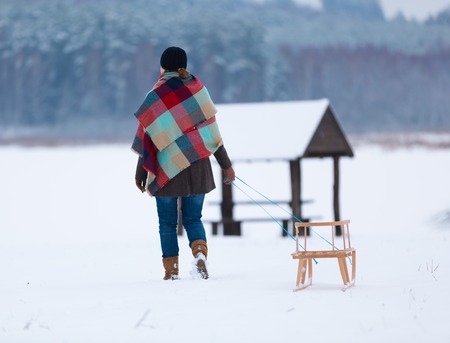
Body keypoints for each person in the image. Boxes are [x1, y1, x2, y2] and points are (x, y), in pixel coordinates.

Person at [131, 47, 235, 280]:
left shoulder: (155, 96)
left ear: (163, 67)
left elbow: (148, 137)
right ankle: (199, 255)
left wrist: (140, 172)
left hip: (166, 169)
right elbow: (212, 134)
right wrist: (226, 166)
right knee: (193, 218)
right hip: (198, 166)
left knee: (167, 223)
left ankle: (172, 271)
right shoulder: (198, 91)